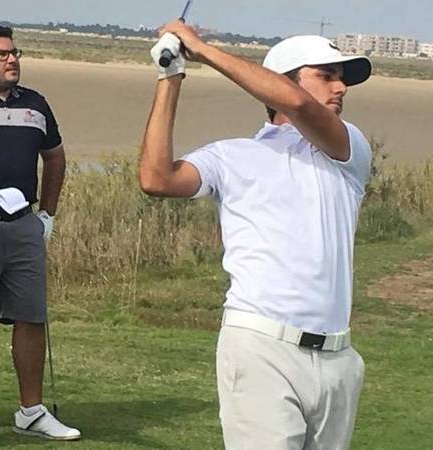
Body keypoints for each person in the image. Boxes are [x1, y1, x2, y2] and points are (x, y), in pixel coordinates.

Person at [139, 20, 373, 449]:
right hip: (261, 346)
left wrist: (202, 49)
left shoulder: (348, 148)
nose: (341, 88)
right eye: (327, 75)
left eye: (341, 78)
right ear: (282, 80)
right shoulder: (231, 155)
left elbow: (300, 106)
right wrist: (170, 76)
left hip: (339, 357)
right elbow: (157, 178)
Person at [0, 26, 80, 441]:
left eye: (14, 53)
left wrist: (47, 215)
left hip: (23, 223)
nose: (12, 60)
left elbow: (55, 158)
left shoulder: (35, 104)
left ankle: (31, 410)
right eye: (2, 54)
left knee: (31, 316)